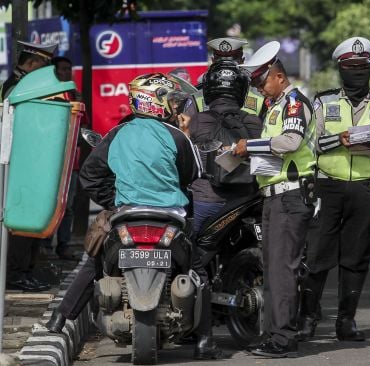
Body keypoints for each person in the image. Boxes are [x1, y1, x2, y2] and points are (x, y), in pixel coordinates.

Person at [45, 73, 222, 360]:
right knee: (198, 269)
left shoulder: (117, 134)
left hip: (127, 216)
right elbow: (192, 175)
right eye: (171, 101)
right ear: (157, 102)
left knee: (95, 262)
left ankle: (59, 319)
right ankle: (204, 342)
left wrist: (115, 200)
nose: (175, 108)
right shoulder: (177, 136)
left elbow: (90, 176)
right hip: (170, 219)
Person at [297, 36, 370, 344]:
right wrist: (340, 139)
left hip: (365, 189)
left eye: (362, 67)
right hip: (327, 186)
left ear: (369, 68)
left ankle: (347, 321)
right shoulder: (323, 101)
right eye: (351, 67)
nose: (357, 71)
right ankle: (307, 319)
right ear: (341, 69)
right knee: (316, 256)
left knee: (356, 258)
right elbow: (310, 143)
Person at [233, 41, 315, 358]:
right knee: (271, 267)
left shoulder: (294, 103)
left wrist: (248, 146)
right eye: (253, 83)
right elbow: (272, 152)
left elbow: (290, 142)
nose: (258, 88)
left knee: (282, 270)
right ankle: (272, 333)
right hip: (273, 196)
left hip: (291, 196)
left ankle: (284, 338)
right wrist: (240, 156)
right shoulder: (275, 106)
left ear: (278, 76)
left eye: (260, 81)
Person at [184, 59, 262, 236]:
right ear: (242, 90)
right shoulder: (255, 121)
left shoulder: (197, 120)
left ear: (209, 89)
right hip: (246, 201)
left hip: (207, 200)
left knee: (195, 255)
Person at [4, 41, 58, 292]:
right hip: (19, 162)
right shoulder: (15, 87)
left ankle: (25, 271)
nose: (46, 69)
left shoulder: (28, 85)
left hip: (33, 160)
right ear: (33, 63)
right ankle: (16, 274)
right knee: (23, 222)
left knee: (33, 219)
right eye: (44, 64)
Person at [38, 56, 81, 260]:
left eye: (68, 69)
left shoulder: (74, 93)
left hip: (71, 162)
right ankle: (45, 244)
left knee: (68, 206)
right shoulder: (49, 93)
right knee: (50, 202)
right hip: (51, 161)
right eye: (62, 69)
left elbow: (83, 126)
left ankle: (63, 245)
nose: (66, 73)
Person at [206, 37, 267, 119]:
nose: (227, 68)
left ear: (243, 61)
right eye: (221, 62)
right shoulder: (197, 95)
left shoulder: (261, 94)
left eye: (231, 63)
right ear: (212, 61)